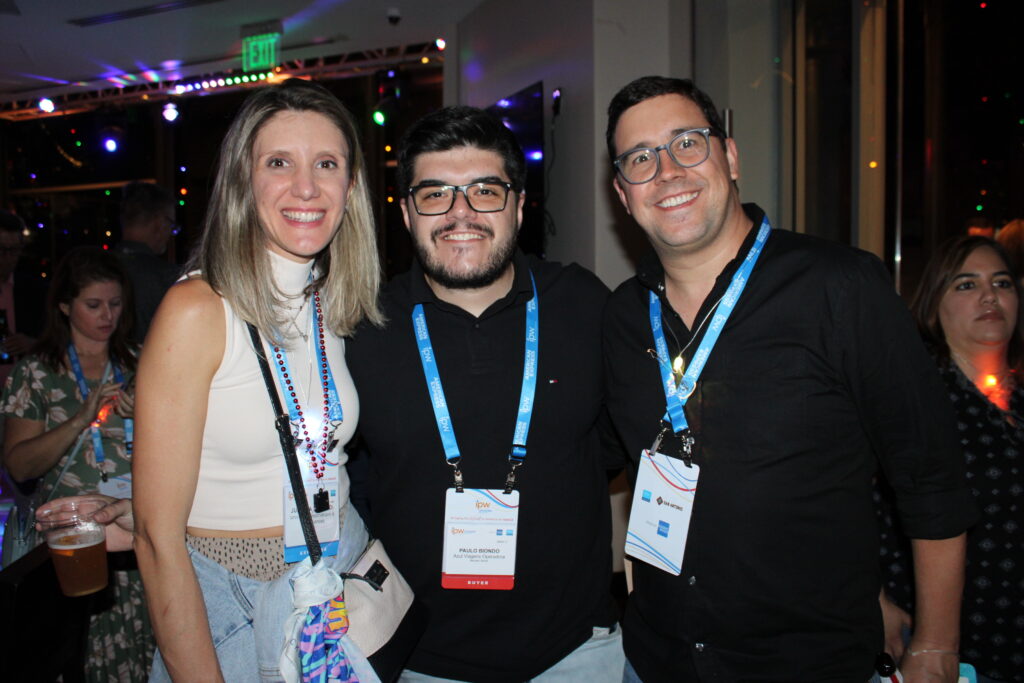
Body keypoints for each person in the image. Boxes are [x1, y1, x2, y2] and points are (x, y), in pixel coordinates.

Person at [601, 75, 977, 682]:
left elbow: (931, 476)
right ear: (623, 193)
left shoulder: (842, 287)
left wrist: (935, 645)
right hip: (655, 661)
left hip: (808, 664)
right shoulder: (621, 317)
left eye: (687, 143)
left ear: (729, 156)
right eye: (640, 159)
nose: (666, 171)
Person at [345, 105, 624, 682]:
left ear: (519, 205)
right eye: (435, 194)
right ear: (406, 213)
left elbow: (615, 442)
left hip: (576, 653)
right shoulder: (362, 325)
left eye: (484, 191)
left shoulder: (585, 304)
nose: (461, 213)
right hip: (416, 656)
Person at [131, 79, 383, 681]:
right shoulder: (196, 309)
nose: (306, 187)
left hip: (333, 576)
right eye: (279, 163)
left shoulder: (331, 301)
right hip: (233, 599)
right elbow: (154, 537)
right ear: (244, 181)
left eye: (327, 164)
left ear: (350, 188)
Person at [1, 246, 152, 681]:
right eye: (94, 304)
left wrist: (147, 414)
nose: (108, 315)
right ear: (65, 306)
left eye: (116, 303)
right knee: (75, 657)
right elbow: (21, 466)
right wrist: (79, 420)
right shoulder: (37, 372)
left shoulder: (140, 360)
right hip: (73, 544)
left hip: (135, 529)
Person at [879, 235, 1024, 683]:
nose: (989, 296)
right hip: (948, 639)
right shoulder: (916, 398)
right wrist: (874, 600)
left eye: (1001, 283)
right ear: (932, 305)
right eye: (966, 285)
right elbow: (849, 503)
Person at [113, 181, 179, 342]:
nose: (171, 233)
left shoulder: (95, 270)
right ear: (158, 223)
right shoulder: (168, 278)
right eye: (170, 224)